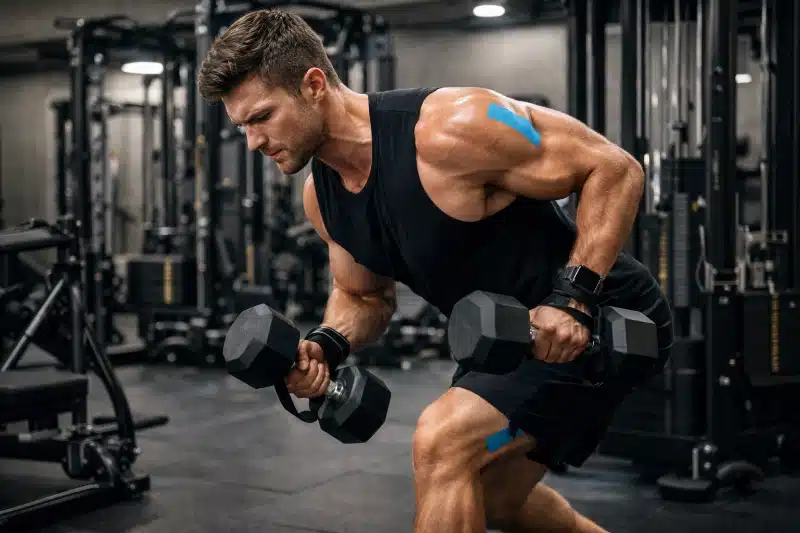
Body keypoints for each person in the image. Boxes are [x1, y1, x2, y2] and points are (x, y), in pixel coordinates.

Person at [198, 9, 674, 533]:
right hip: (507, 344)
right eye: (242, 126)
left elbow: (613, 167)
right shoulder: (322, 197)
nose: (253, 142)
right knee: (494, 500)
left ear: (313, 85)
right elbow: (363, 298)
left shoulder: (454, 126)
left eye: (261, 117)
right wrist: (327, 344)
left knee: (443, 442)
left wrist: (573, 297)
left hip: (601, 316)